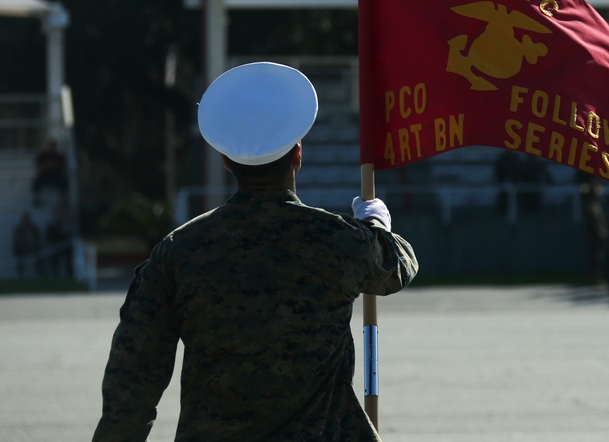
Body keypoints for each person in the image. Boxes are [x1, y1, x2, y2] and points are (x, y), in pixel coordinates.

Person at [93, 62, 419, 442]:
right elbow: (396, 267)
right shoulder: (334, 239)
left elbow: (133, 373)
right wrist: (376, 225)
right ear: (298, 154)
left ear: (226, 160)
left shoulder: (180, 251)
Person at [32, 139, 68, 206]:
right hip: (44, 175)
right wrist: (49, 166)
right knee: (36, 182)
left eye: (53, 146)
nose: (51, 148)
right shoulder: (42, 155)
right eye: (49, 146)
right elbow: (39, 167)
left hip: (55, 175)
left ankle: (64, 201)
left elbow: (62, 166)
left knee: (64, 182)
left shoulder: (59, 156)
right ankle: (36, 200)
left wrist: (52, 166)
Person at [12, 212, 41, 277]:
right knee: (18, 254)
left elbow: (37, 240)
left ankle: (40, 274)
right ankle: (20, 275)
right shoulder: (19, 229)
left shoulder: (34, 229)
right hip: (22, 249)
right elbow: (17, 241)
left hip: (32, 248)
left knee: (39, 254)